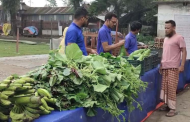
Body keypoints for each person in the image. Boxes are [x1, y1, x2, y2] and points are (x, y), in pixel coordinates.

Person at [159, 20, 187, 117]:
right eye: (165, 28)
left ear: (174, 27)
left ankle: (173, 109)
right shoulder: (166, 39)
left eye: (168, 28)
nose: (166, 30)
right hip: (165, 67)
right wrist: (161, 64)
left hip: (173, 68)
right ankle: (166, 105)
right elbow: (164, 53)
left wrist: (182, 65)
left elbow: (184, 51)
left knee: (171, 88)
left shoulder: (179, 38)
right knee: (165, 87)